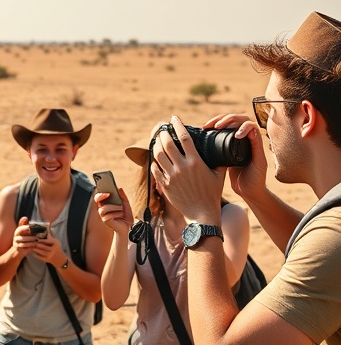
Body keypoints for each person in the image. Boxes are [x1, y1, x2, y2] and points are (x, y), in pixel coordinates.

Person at [151, 11, 341, 344]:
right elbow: (327, 255)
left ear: (306, 116)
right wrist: (255, 194)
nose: (264, 127)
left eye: (268, 111)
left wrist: (201, 218)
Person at [96, 125, 250, 344]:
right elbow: (112, 300)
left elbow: (229, 278)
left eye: (178, 161)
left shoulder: (230, 216)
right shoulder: (142, 225)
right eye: (162, 164)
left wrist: (198, 214)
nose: (174, 171)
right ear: (153, 178)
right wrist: (121, 235)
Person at [0, 108, 112, 345]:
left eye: (60, 149)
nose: (50, 158)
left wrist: (60, 260)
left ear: (74, 152)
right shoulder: (11, 198)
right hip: (12, 335)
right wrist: (16, 251)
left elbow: (96, 293)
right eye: (42, 149)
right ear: (29, 152)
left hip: (68, 338)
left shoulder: (93, 205)